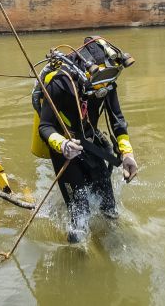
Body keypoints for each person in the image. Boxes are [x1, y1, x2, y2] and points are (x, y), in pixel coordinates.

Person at [31, 36, 139, 242]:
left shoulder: (105, 81)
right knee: (79, 213)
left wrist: (127, 153)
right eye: (100, 82)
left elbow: (118, 121)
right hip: (65, 148)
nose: (104, 88)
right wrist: (62, 144)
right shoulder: (61, 83)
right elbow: (45, 126)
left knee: (109, 206)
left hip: (91, 143)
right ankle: (79, 254)